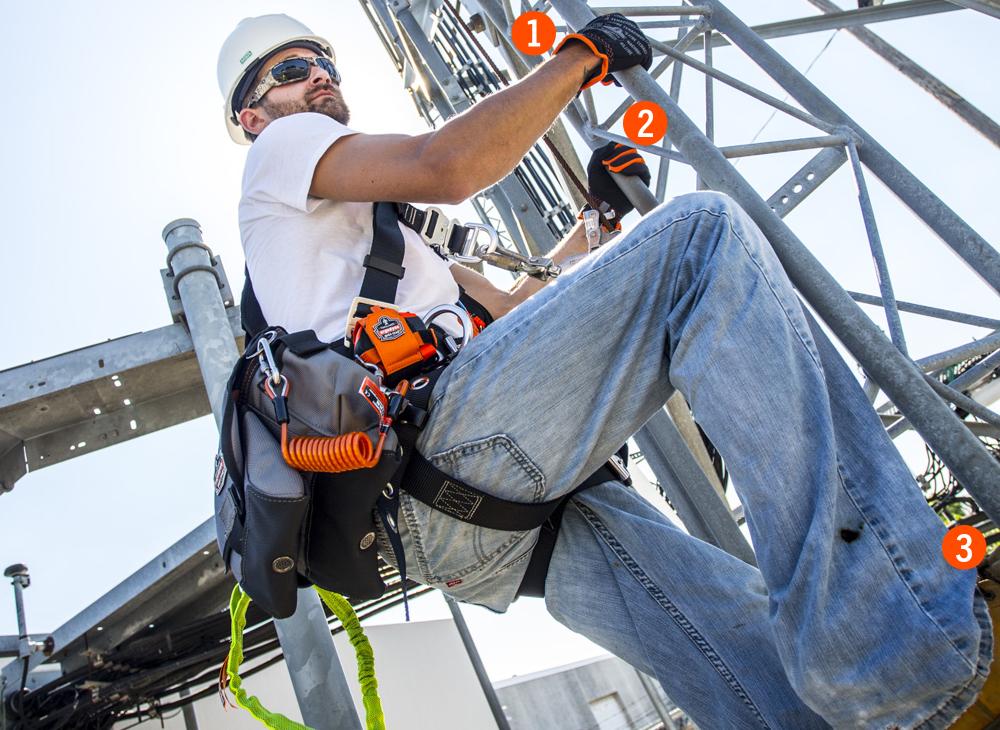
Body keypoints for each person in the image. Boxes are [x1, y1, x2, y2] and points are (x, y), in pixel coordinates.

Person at [217, 13, 996, 728]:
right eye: (288, 70)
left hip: (449, 518)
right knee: (700, 239)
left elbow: (521, 314)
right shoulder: (280, 153)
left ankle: (883, 711)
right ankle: (903, 657)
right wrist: (578, 61)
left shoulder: (387, 242)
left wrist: (599, 221)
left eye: (323, 60)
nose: (318, 74)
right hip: (446, 447)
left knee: (725, 637)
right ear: (253, 117)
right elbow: (448, 162)